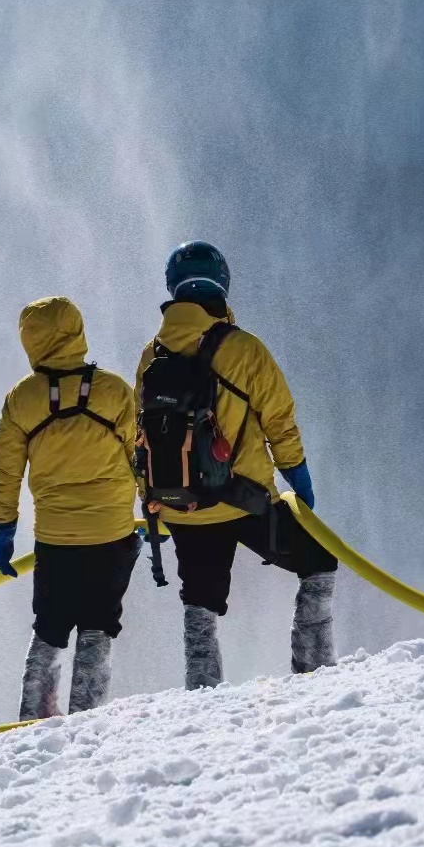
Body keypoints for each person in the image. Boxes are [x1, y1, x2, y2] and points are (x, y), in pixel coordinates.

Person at [133, 242, 337, 689]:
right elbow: (279, 420)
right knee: (319, 563)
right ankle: (314, 672)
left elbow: (140, 437)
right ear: (222, 284)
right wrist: (296, 475)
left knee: (199, 603)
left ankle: (201, 695)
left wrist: (148, 502)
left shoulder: (152, 355)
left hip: (179, 505)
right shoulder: (244, 348)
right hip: (246, 500)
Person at [0, 297, 141, 719]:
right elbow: (140, 457)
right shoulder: (114, 390)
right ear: (77, 330)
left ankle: (33, 717)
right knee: (98, 626)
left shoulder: (22, 399)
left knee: (50, 626)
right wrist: (152, 511)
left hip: (55, 537)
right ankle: (86, 717)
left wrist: (4, 524)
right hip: (113, 532)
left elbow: (7, 469)